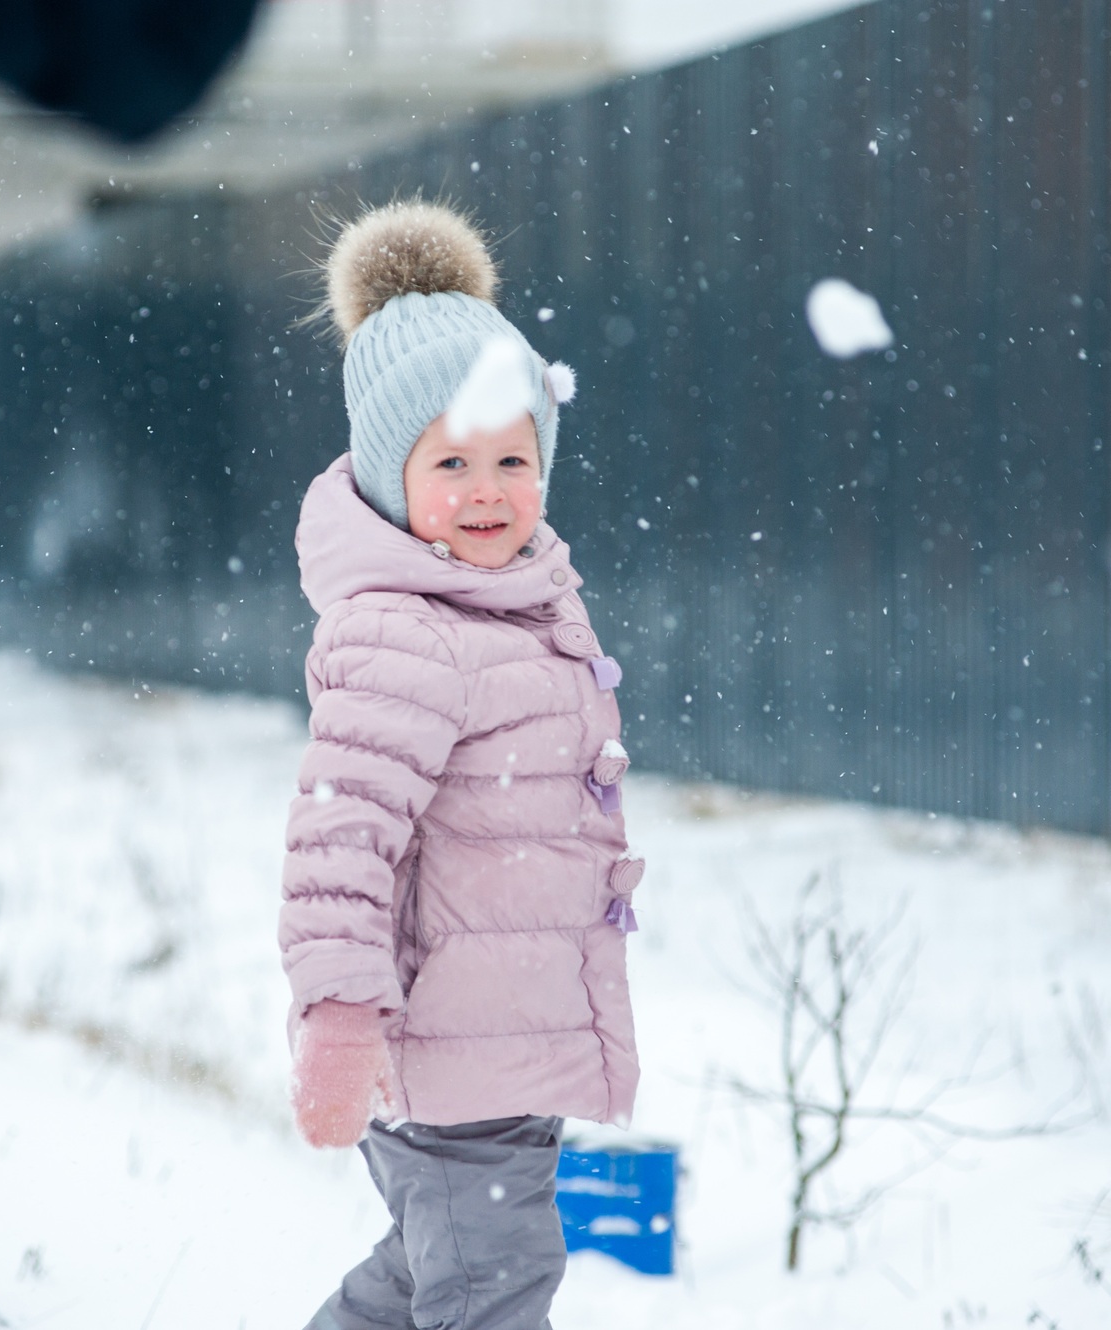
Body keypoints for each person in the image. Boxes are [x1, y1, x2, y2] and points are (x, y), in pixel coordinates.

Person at [279, 199, 646, 1330]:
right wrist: (338, 1016)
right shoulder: (404, 632)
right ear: (390, 477)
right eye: (450, 461)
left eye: (510, 457)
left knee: (429, 1273)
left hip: (495, 1039)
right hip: (442, 1043)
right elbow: (340, 842)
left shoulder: (517, 605)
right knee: (492, 1285)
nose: (487, 488)